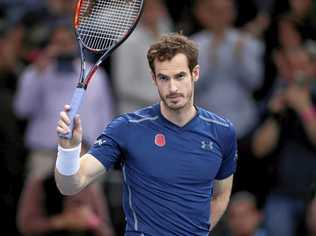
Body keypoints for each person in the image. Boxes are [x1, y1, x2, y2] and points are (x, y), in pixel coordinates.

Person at [55, 33, 238, 235]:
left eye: (180, 76)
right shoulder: (126, 128)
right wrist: (68, 149)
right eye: (163, 78)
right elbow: (69, 185)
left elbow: (220, 196)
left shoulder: (223, 132)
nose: (172, 88)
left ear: (195, 73)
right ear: (153, 78)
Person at [14, 24, 114, 180]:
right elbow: (22, 109)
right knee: (36, 203)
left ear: (76, 44)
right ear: (50, 46)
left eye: (67, 42)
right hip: (44, 155)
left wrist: (101, 151)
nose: (64, 47)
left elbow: (106, 117)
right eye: (58, 43)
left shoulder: (96, 75)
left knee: (88, 204)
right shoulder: (36, 72)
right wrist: (37, 72)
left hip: (85, 154)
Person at [252, 45, 316, 236]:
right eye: (292, 66)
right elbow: (259, 148)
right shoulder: (277, 99)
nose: (297, 72)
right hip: (282, 193)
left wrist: (304, 108)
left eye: (303, 66)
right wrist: (275, 116)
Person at [17, 143, 114, 236]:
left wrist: (91, 221)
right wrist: (60, 222)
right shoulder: (40, 185)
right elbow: (26, 226)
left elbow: (106, 230)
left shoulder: (91, 189)